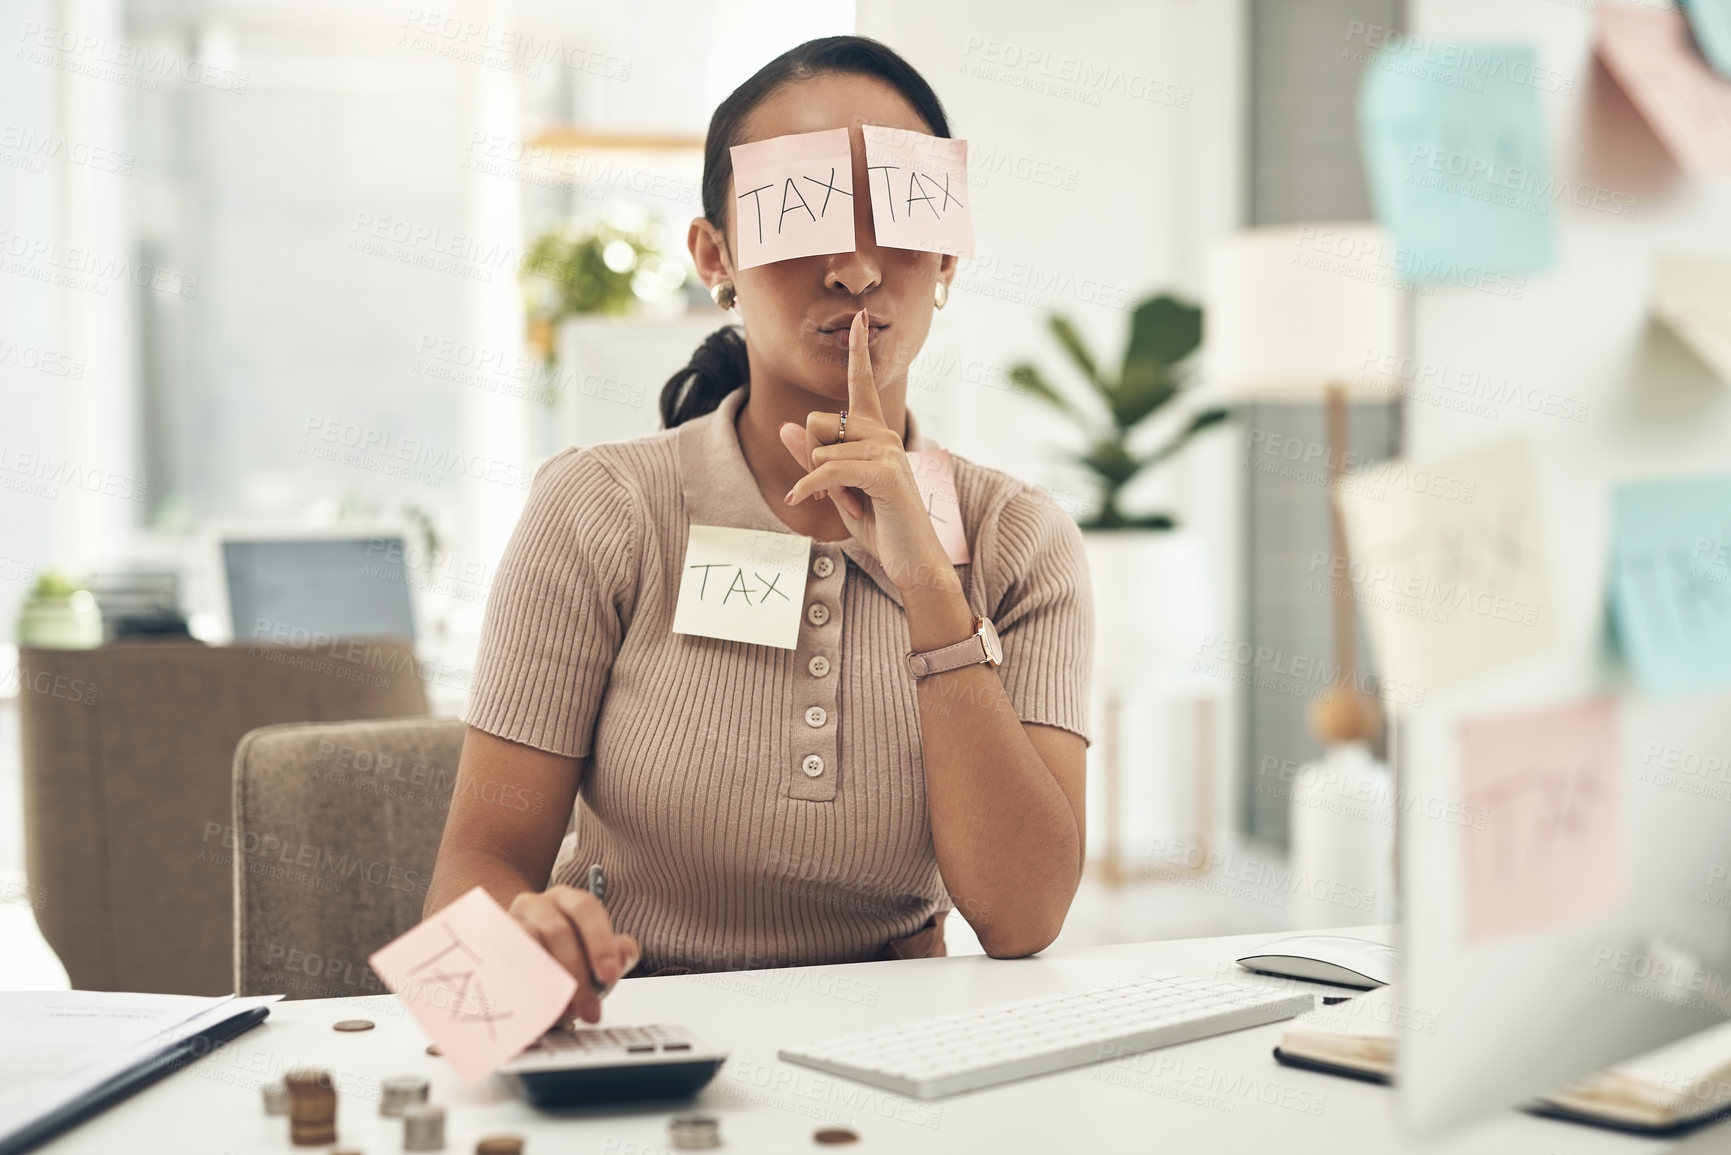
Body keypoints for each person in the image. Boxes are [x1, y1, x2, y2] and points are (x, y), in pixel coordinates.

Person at [425, 34, 1093, 1027]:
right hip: (631, 1036)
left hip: (908, 1052)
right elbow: (471, 882)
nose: (857, 268)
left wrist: (928, 585)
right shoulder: (598, 511)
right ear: (715, 258)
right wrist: (519, 971)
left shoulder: (1019, 540)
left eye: (900, 216)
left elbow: (1024, 918)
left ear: (949, 253)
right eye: (802, 211)